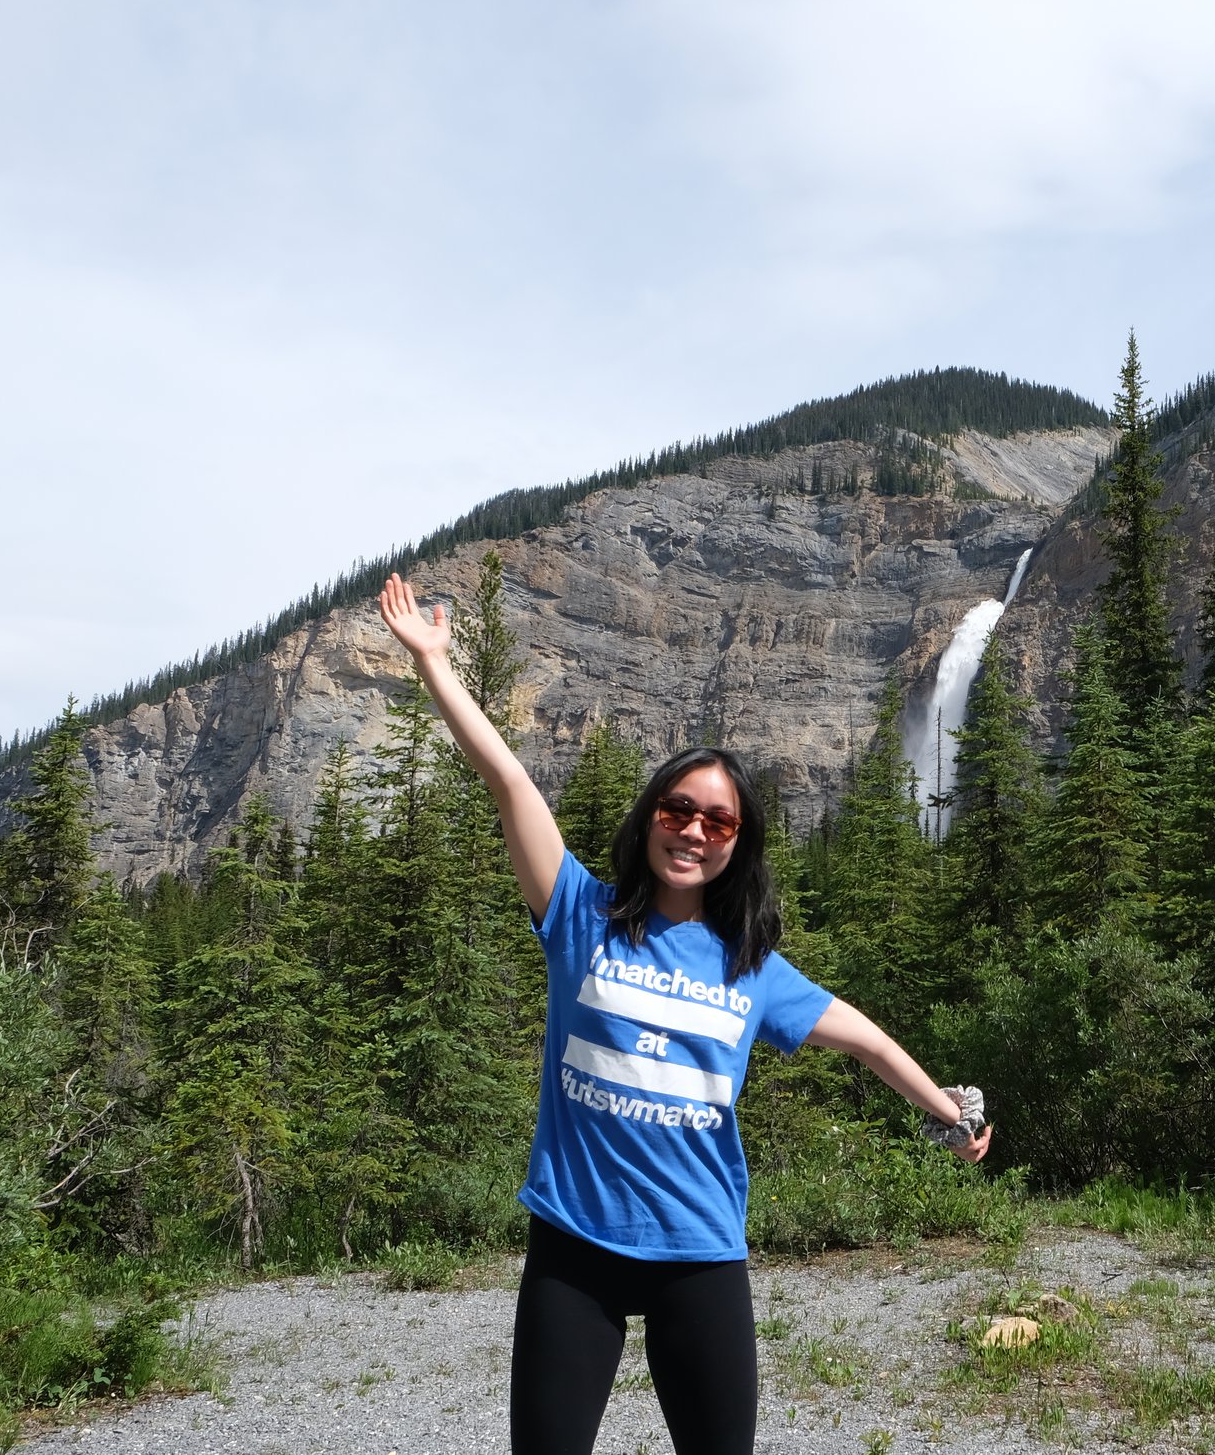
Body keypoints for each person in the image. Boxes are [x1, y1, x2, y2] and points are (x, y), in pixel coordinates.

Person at [378, 572, 991, 1455]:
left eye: (719, 821)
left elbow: (861, 1035)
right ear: (650, 817)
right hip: (574, 1245)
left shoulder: (751, 968)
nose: (694, 830)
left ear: (737, 843)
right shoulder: (579, 912)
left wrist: (947, 1108)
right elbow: (510, 780)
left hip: (699, 1248)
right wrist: (436, 664)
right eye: (678, 809)